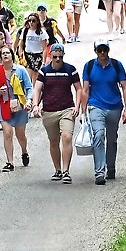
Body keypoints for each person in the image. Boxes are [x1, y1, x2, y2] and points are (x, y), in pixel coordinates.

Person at [76, 39, 126, 185]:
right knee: (99, 135)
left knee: (112, 138)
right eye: (99, 50)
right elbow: (85, 90)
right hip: (96, 106)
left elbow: (125, 87)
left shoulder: (116, 65)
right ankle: (99, 172)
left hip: (114, 106)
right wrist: (83, 112)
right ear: (95, 51)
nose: (102, 53)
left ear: (108, 50)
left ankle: (110, 167)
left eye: (104, 50)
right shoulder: (89, 67)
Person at [31, 43, 81, 184]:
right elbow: (37, 89)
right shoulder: (44, 71)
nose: (58, 59)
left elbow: (79, 88)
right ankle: (57, 170)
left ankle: (66, 171)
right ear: (50, 56)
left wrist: (77, 106)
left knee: (66, 137)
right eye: (55, 57)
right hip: (49, 110)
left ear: (63, 56)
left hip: (67, 109)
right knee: (53, 141)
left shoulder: (70, 70)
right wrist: (35, 105)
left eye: (60, 56)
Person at [0, 53, 33, 171]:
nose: (5, 55)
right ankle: (10, 162)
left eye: (7, 53)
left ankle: (24, 151)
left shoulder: (20, 70)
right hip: (3, 106)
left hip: (20, 106)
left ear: (12, 55)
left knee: (20, 134)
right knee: (7, 133)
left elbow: (29, 87)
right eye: (3, 54)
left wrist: (29, 101)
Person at [14, 12, 49, 85]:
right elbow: (21, 44)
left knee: (35, 77)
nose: (31, 22)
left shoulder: (41, 32)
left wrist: (44, 61)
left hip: (38, 56)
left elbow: (44, 48)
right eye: (29, 20)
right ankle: (29, 92)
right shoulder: (25, 31)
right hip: (28, 55)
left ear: (37, 22)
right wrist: (20, 56)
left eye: (34, 21)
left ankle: (34, 92)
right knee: (27, 75)